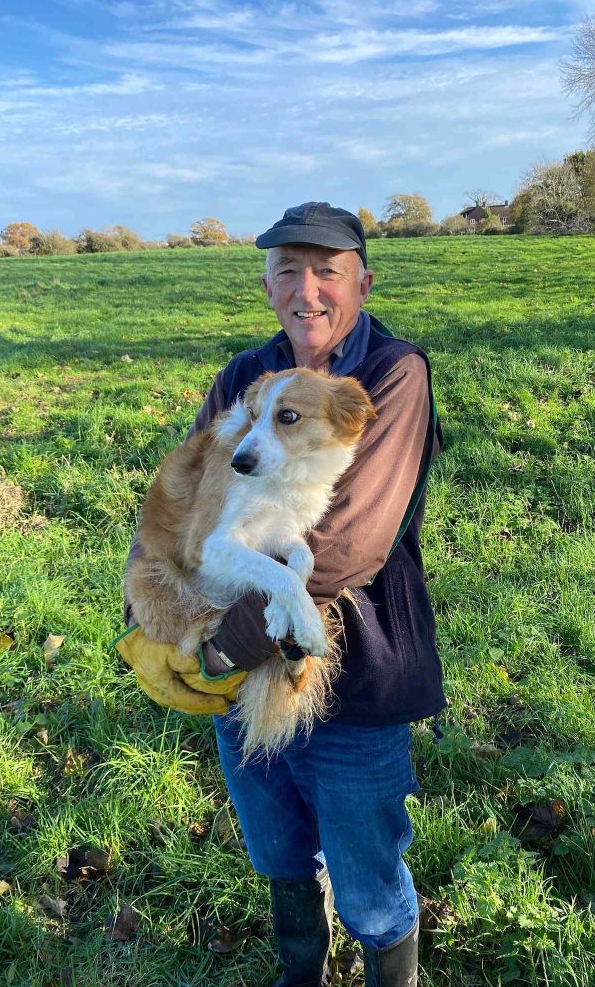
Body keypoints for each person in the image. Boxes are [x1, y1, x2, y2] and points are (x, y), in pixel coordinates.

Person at [122, 202, 446, 987]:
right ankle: (301, 968)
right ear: (268, 285)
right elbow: (188, 499)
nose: (307, 289)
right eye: (287, 270)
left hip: (355, 659)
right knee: (275, 844)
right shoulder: (244, 377)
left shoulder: (392, 374)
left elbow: (347, 545)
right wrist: (145, 613)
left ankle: (387, 970)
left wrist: (219, 644)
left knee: (366, 866)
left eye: (327, 271)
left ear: (362, 282)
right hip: (235, 656)